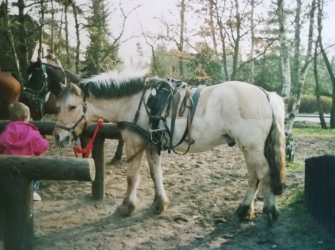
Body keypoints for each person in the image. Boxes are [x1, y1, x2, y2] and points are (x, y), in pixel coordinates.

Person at [0, 102, 49, 201]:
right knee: (36, 166)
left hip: (10, 165)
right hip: (28, 165)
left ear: (10, 118)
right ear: (27, 117)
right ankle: (33, 190)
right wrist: (46, 143)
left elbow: (1, 146)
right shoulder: (32, 131)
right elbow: (41, 147)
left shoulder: (6, 132)